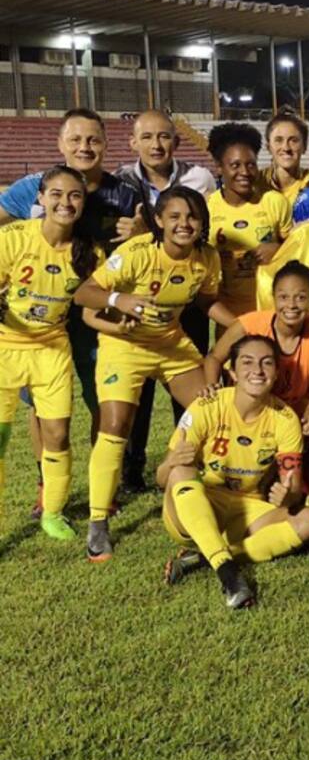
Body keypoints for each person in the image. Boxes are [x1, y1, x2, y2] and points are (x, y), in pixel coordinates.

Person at [73, 186, 236, 562]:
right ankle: (98, 522)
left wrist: (244, 325)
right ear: (159, 221)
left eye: (192, 216)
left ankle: (210, 495)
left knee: (213, 408)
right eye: (175, 216)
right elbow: (85, 293)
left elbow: (207, 300)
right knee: (116, 424)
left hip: (170, 345)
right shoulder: (137, 252)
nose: (184, 223)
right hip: (125, 347)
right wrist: (120, 300)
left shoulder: (206, 258)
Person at [0, 109, 143, 514]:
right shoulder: (33, 187)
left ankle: (104, 485)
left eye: (93, 140)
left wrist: (143, 231)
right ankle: (48, 487)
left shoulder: (123, 194)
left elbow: (143, 248)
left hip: (96, 315)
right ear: (61, 144)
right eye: (76, 140)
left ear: (105, 144)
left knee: (103, 400)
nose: (84, 147)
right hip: (40, 325)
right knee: (39, 408)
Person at [158, 334, 309, 609]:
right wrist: (171, 461)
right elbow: (162, 478)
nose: (257, 371)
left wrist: (288, 496)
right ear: (232, 371)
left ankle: (205, 557)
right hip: (198, 506)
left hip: (247, 509)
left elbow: (291, 490)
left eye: (266, 363)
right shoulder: (207, 405)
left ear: (276, 372)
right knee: (180, 472)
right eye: (247, 363)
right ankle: (228, 574)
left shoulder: (285, 419)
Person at [117, 109, 216, 492]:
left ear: (176, 140)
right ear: (133, 142)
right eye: (147, 137)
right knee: (137, 390)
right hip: (141, 301)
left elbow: (206, 227)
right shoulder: (122, 182)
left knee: (189, 389)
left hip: (188, 298)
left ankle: (186, 459)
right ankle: (132, 470)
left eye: (164, 137)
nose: (156, 145)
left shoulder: (200, 178)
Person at [0, 167, 100, 539]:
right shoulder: (12, 238)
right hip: (6, 348)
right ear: (39, 198)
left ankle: (53, 513)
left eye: (74, 195)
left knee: (57, 434)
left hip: (52, 351)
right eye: (56, 194)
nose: (65, 202)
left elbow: (101, 292)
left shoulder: (89, 251)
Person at [203, 260, 309, 493]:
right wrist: (212, 388)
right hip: (252, 410)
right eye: (283, 297)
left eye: (301, 297)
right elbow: (214, 358)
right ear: (273, 297)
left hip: (292, 415)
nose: (291, 305)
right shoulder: (249, 324)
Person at [205, 123, 291, 316]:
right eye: (235, 165)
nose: (244, 172)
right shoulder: (207, 208)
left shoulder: (275, 202)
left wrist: (279, 249)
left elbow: (297, 249)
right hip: (228, 314)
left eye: (250, 164)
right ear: (219, 168)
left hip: (270, 309)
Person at [258, 112, 309, 204]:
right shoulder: (256, 182)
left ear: (305, 147)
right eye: (278, 140)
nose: (286, 148)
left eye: (293, 141)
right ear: (268, 147)